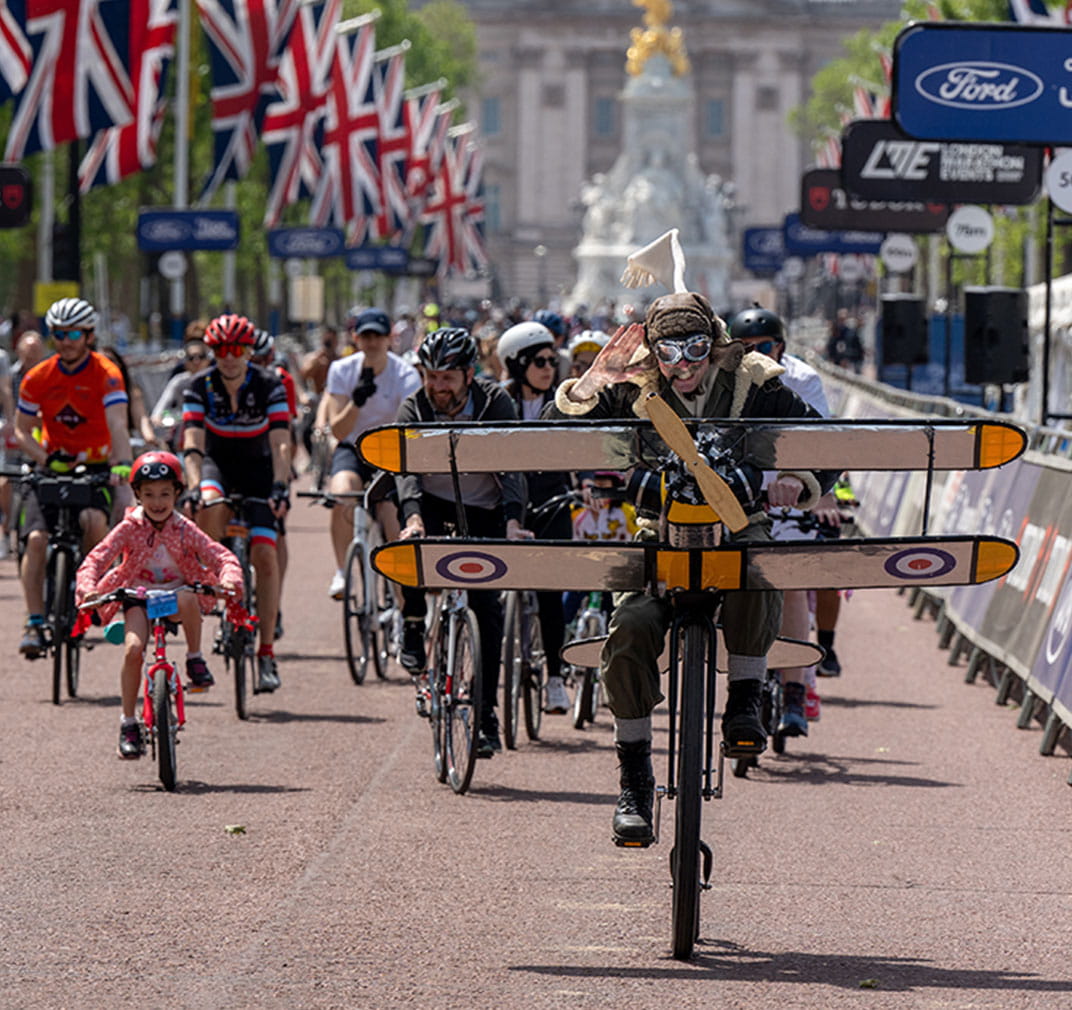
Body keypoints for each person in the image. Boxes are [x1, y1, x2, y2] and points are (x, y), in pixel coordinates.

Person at [547, 291, 832, 845]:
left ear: (716, 345)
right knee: (629, 627)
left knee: (758, 568)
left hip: (739, 521)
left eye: (697, 348)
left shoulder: (757, 380)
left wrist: (801, 481)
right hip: (660, 531)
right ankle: (634, 776)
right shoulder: (632, 385)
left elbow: (824, 440)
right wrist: (594, 376)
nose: (684, 364)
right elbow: (553, 426)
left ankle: (746, 702)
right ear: (651, 351)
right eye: (669, 351)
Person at [395, 327, 530, 757]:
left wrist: (512, 522)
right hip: (432, 503)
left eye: (447, 378)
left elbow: (513, 468)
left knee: (486, 608)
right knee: (411, 551)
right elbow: (406, 472)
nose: (437, 387)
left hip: (484, 510)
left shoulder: (496, 403)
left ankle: (486, 712)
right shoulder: (413, 408)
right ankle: (413, 625)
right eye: (431, 377)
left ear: (469, 375)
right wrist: (413, 519)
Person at [74, 451, 243, 759]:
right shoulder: (128, 527)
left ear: (178, 493)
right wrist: (87, 588)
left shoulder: (184, 528)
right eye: (148, 494)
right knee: (133, 650)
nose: (157, 502)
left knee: (189, 595)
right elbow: (97, 558)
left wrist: (229, 579)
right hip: (138, 597)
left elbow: (220, 555)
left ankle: (195, 658)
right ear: (136, 494)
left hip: (178, 596)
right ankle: (128, 723)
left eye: (165, 493)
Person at [728, 305, 843, 734]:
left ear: (781, 348)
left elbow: (822, 443)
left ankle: (794, 690)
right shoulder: (724, 380)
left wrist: (810, 487)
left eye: (766, 347)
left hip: (788, 494)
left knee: (788, 582)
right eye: (747, 349)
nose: (757, 355)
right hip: (737, 495)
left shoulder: (802, 381)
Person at [14, 298, 132, 658]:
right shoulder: (38, 376)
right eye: (59, 334)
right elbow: (22, 430)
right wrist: (45, 457)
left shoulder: (106, 372)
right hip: (51, 465)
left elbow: (117, 422)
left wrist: (123, 462)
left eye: (73, 334)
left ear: (89, 335)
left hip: (96, 466)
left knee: (94, 521)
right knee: (35, 540)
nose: (65, 341)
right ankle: (34, 621)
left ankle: (91, 590)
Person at [181, 313, 292, 694]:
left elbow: (280, 442)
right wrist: (195, 486)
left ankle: (266, 652)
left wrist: (280, 484)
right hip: (218, 464)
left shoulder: (269, 384)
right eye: (221, 350)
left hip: (260, 468)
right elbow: (193, 443)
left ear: (248, 351)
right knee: (210, 506)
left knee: (265, 555)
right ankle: (222, 579)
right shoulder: (199, 384)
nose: (229, 357)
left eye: (237, 349)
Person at [498, 320, 572, 715]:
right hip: (506, 505)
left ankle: (556, 678)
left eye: (552, 361)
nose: (548, 368)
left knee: (550, 592)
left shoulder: (563, 403)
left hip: (552, 500)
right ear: (515, 365)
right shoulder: (497, 403)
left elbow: (586, 442)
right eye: (539, 361)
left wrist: (590, 483)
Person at [322, 308, 419, 599]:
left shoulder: (405, 374)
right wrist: (357, 402)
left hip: (390, 449)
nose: (373, 342)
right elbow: (338, 431)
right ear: (355, 338)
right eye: (366, 336)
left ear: (389, 338)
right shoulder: (342, 370)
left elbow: (409, 427)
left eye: (378, 335)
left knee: (391, 513)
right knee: (342, 495)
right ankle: (342, 571)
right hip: (353, 447)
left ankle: (401, 596)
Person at [151, 335, 211, 451]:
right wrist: (175, 417)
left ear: (208, 360)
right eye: (191, 357)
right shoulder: (179, 382)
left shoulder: (215, 380)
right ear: (185, 362)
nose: (196, 361)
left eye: (201, 357)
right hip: (184, 438)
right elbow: (159, 411)